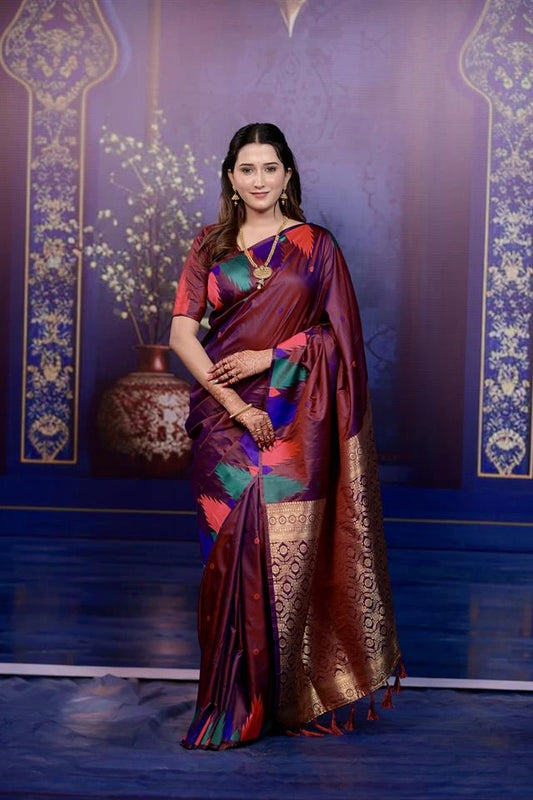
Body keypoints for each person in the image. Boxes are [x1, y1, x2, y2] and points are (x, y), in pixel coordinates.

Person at [169, 122, 402, 751]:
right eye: (247, 169)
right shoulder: (208, 245)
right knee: (227, 561)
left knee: (275, 561)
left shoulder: (316, 247)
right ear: (231, 177)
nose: (259, 180)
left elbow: (340, 342)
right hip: (223, 426)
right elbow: (183, 334)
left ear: (288, 174)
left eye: (270, 168)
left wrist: (270, 356)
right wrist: (233, 405)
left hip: (294, 423)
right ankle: (228, 702)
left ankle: (278, 701)